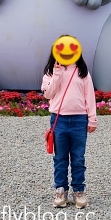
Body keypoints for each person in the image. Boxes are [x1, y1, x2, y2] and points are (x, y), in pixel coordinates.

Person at [42, 43, 97, 210]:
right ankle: (60, 190)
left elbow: (90, 95)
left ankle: (79, 191)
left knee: (78, 158)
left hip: (79, 119)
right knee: (60, 158)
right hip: (59, 120)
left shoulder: (82, 72)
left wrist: (92, 119)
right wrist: (57, 74)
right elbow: (47, 94)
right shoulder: (50, 72)